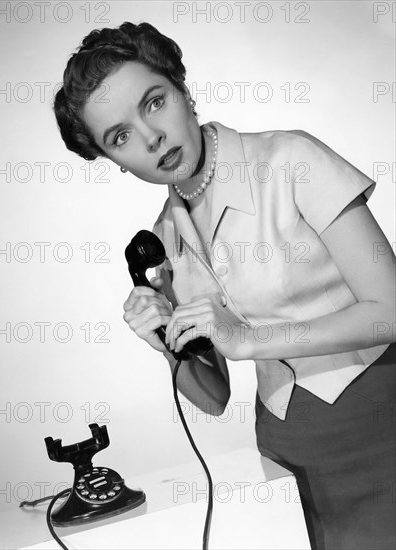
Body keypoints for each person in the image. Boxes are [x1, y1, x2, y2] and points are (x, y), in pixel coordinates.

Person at [53, 22, 396, 550]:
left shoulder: (291, 161)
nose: (150, 137)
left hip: (378, 431)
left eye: (154, 102)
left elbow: (390, 310)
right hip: (283, 455)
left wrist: (251, 341)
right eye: (119, 136)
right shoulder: (166, 238)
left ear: (183, 90)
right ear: (113, 161)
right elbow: (213, 398)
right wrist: (163, 341)